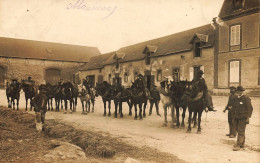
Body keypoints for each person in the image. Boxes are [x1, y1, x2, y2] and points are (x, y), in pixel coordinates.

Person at [233, 86, 253, 151]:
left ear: (242, 92)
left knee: (241, 131)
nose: (239, 92)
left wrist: (248, 117)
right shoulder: (236, 98)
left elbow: (250, 109)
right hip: (236, 117)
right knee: (238, 130)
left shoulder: (246, 99)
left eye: (241, 91)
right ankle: (242, 143)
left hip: (243, 118)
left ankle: (238, 144)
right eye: (238, 91)